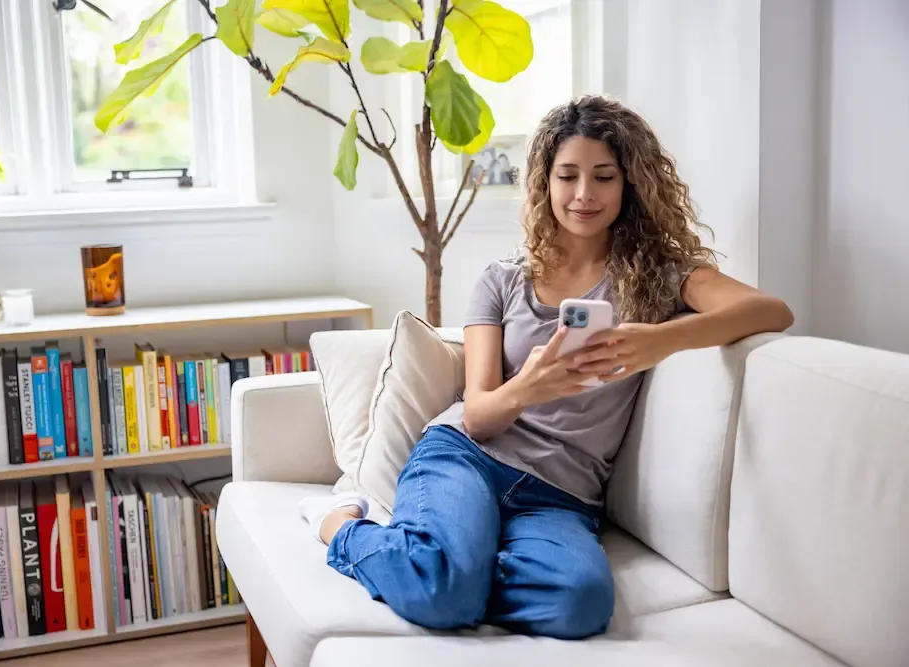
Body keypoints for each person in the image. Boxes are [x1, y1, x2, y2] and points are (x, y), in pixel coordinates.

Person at [298, 95, 794, 640]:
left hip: (562, 495)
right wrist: (528, 388)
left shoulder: (660, 277)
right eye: (568, 176)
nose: (585, 194)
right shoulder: (502, 280)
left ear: (629, 184)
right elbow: (480, 417)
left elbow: (771, 310)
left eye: (604, 176)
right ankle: (342, 526)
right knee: (442, 590)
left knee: (579, 603)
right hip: (468, 458)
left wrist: (660, 341)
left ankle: (453, 568)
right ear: (545, 182)